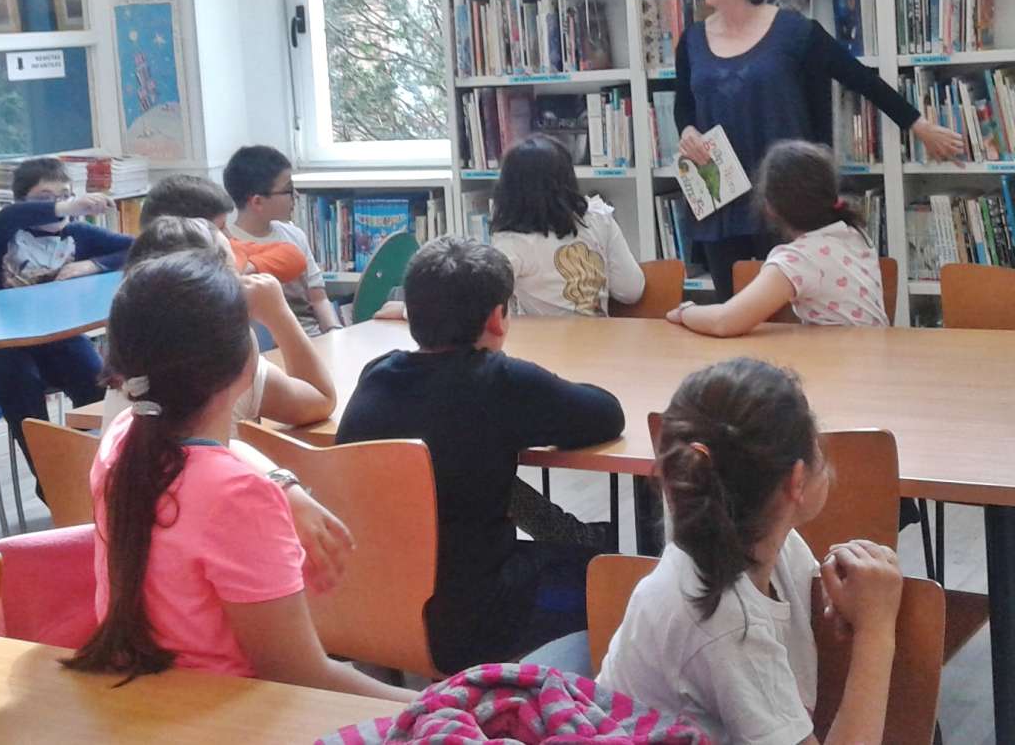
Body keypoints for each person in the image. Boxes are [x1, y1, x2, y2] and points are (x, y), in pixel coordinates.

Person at [64, 249, 409, 701]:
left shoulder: (125, 437)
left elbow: (222, 457)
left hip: (145, 701)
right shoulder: (236, 496)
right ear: (247, 361)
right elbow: (300, 677)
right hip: (236, 716)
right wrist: (438, 701)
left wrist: (283, 485)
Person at [335, 236, 625, 674]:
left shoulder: (375, 375)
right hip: (471, 624)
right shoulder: (501, 382)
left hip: (371, 611)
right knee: (605, 571)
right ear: (497, 317)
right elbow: (606, 415)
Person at [597, 358, 902, 745]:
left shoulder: (760, 541)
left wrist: (846, 607)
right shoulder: (727, 623)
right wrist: (876, 629)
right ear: (796, 482)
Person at [674, 0, 964, 300]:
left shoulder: (795, 32)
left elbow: (859, 78)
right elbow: (684, 103)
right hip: (720, 198)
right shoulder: (692, 40)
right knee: (733, 310)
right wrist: (686, 130)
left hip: (786, 196)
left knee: (797, 314)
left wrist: (918, 125)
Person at [0, 158, 131, 497]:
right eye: (44, 197)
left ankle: (98, 475)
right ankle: (52, 484)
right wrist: (67, 205)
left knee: (99, 385)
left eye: (64, 195)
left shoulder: (78, 235)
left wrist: (91, 265)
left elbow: (136, 248)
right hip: (3, 342)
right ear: (21, 202)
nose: (57, 205)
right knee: (24, 392)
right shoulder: (9, 230)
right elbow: (10, 216)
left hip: (58, 337)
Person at [100, 215, 336, 429]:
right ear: (217, 283)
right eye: (235, 269)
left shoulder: (130, 350)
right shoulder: (226, 355)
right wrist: (279, 314)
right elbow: (320, 400)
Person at [665, 140, 887, 336]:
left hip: (846, 372)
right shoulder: (853, 233)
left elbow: (725, 321)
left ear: (770, 208)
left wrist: (686, 312)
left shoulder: (797, 259)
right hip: (872, 362)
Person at [490, 136, 645, 316]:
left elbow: (489, 307)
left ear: (507, 190)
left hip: (542, 343)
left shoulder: (511, 243)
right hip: (602, 340)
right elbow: (631, 291)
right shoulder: (598, 218)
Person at [222, 146, 340, 336]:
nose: (296, 196)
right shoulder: (227, 246)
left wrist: (335, 332)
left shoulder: (294, 235)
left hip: (311, 337)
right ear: (257, 202)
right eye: (288, 190)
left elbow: (319, 299)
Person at [139, 174, 306, 281]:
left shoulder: (229, 250)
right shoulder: (153, 283)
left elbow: (294, 256)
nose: (228, 235)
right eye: (220, 228)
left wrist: (240, 270)